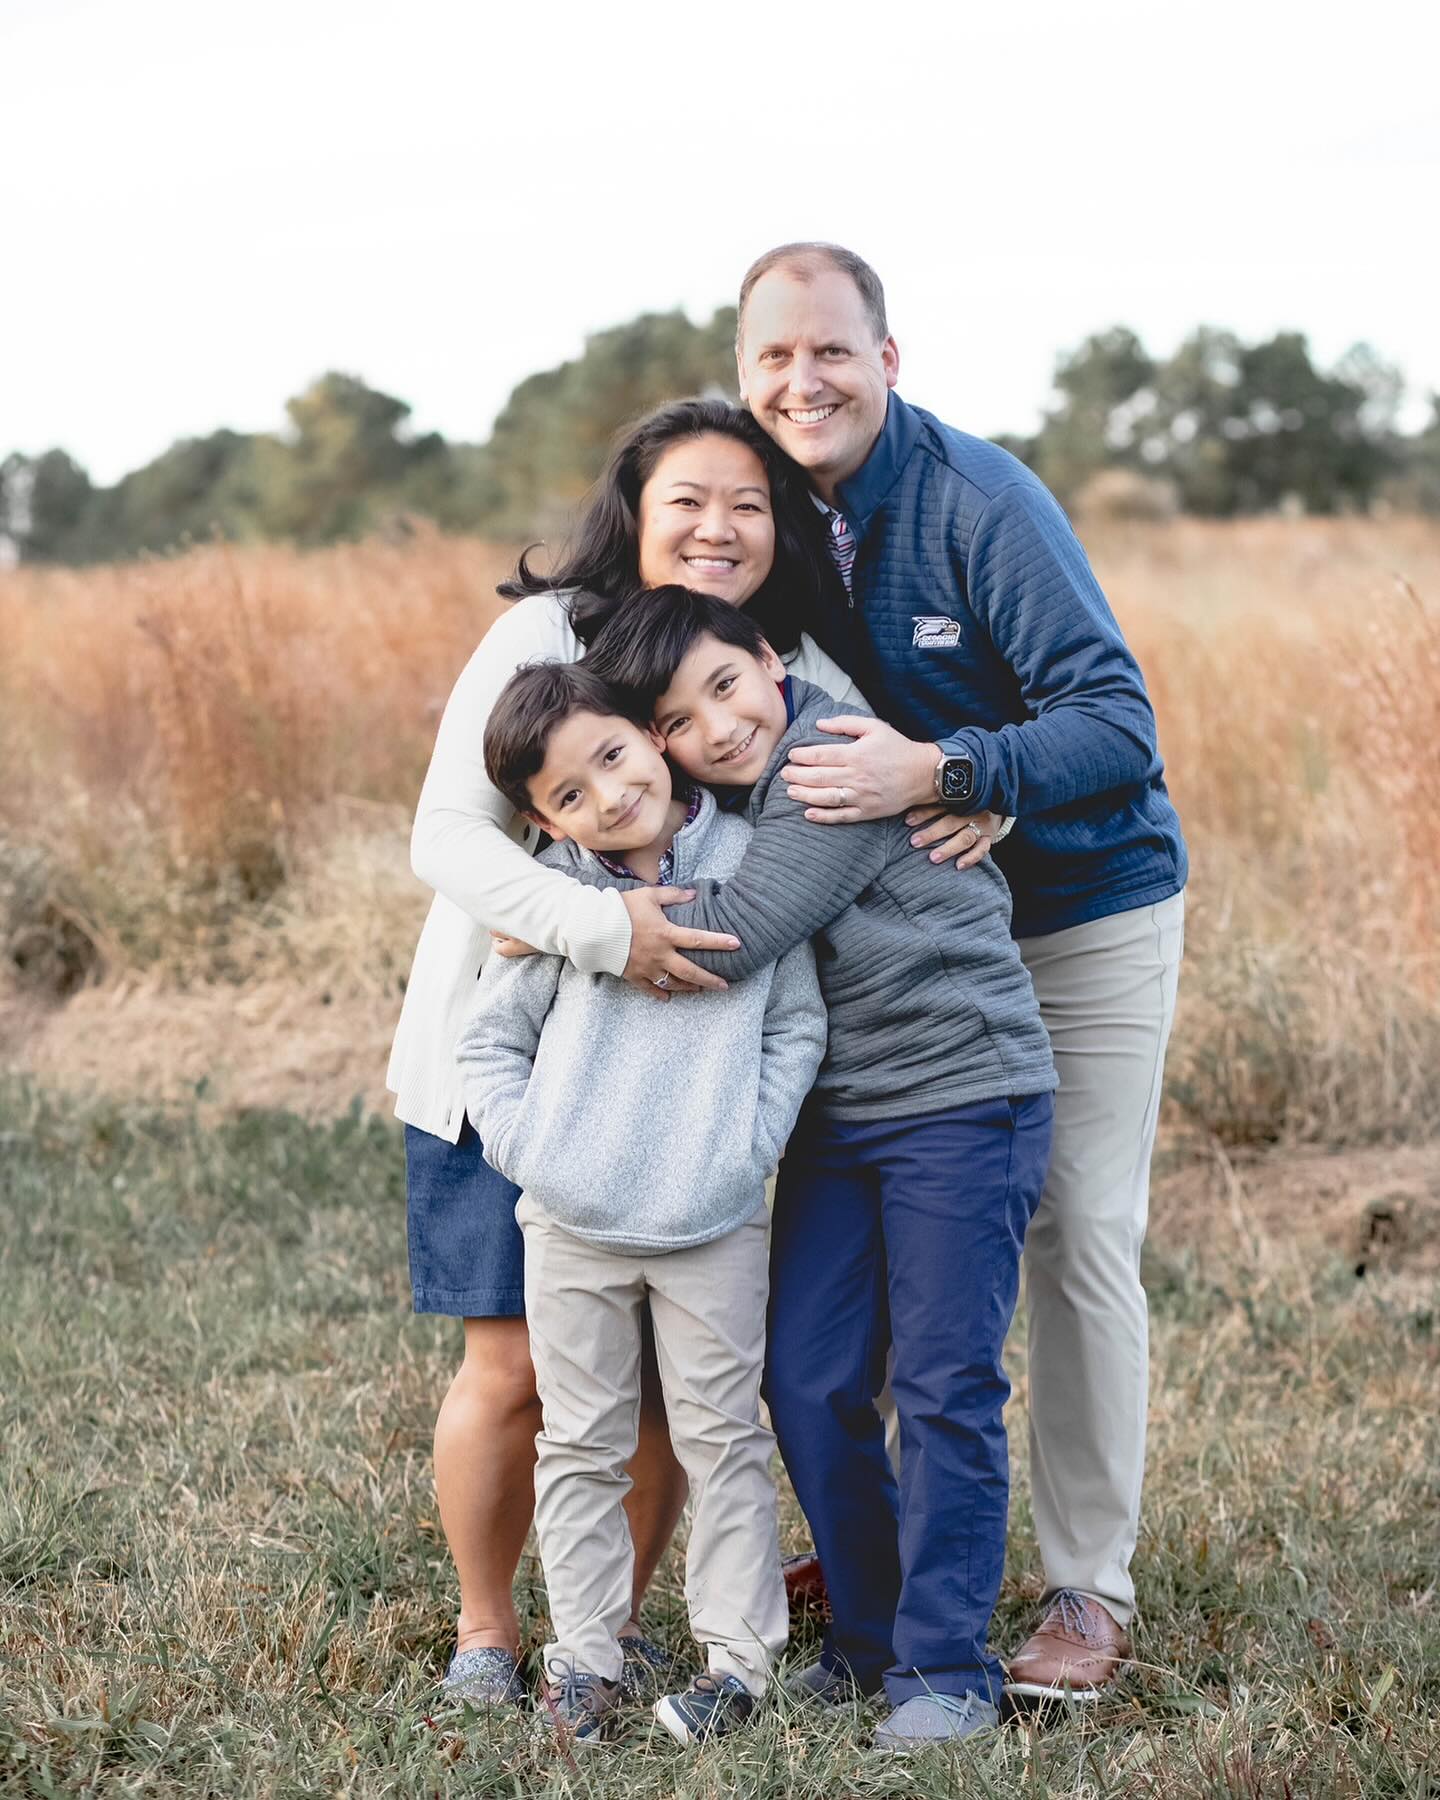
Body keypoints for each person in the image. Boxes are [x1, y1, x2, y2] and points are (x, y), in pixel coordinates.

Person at [386, 397, 988, 1705]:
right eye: (687, 502)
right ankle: (490, 1633)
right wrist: (601, 931)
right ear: (633, 514)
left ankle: (620, 1643)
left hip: (676, 1107)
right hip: (515, 1066)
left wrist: (966, 783)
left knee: (661, 1402)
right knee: (513, 1369)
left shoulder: (767, 666)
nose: (718, 527)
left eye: (750, 503)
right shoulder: (546, 635)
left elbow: (872, 776)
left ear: (782, 529)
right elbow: (450, 836)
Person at [732, 241, 1189, 1704]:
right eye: (774, 359)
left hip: (1075, 906)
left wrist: (963, 764)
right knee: (881, 1248)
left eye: (832, 352)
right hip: (903, 934)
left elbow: (1117, 724)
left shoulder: (980, 503)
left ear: (890, 359)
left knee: (1075, 1228)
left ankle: (1086, 1588)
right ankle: (886, 1561)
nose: (805, 381)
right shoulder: (761, 516)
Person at [584, 588, 1057, 1750]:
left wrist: (563, 909)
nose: (720, 725)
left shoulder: (828, 762)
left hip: (962, 1095)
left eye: (727, 684)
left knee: (945, 1383)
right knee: (806, 1380)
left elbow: (736, 932)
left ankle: (946, 1666)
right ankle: (867, 1635)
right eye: (681, 720)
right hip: (843, 1120)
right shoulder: (741, 791)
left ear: (767, 660)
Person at [456, 659, 825, 1748]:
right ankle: (585, 1662)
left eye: (614, 757)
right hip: (570, 1221)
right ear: (540, 817)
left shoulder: (754, 866)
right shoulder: (558, 906)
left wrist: (744, 1149)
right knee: (580, 1444)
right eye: (571, 794)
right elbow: (490, 1041)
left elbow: (796, 1022)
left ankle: (738, 1664)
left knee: (722, 1441)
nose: (609, 797)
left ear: (651, 738)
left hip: (713, 1219)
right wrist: (539, 1155)